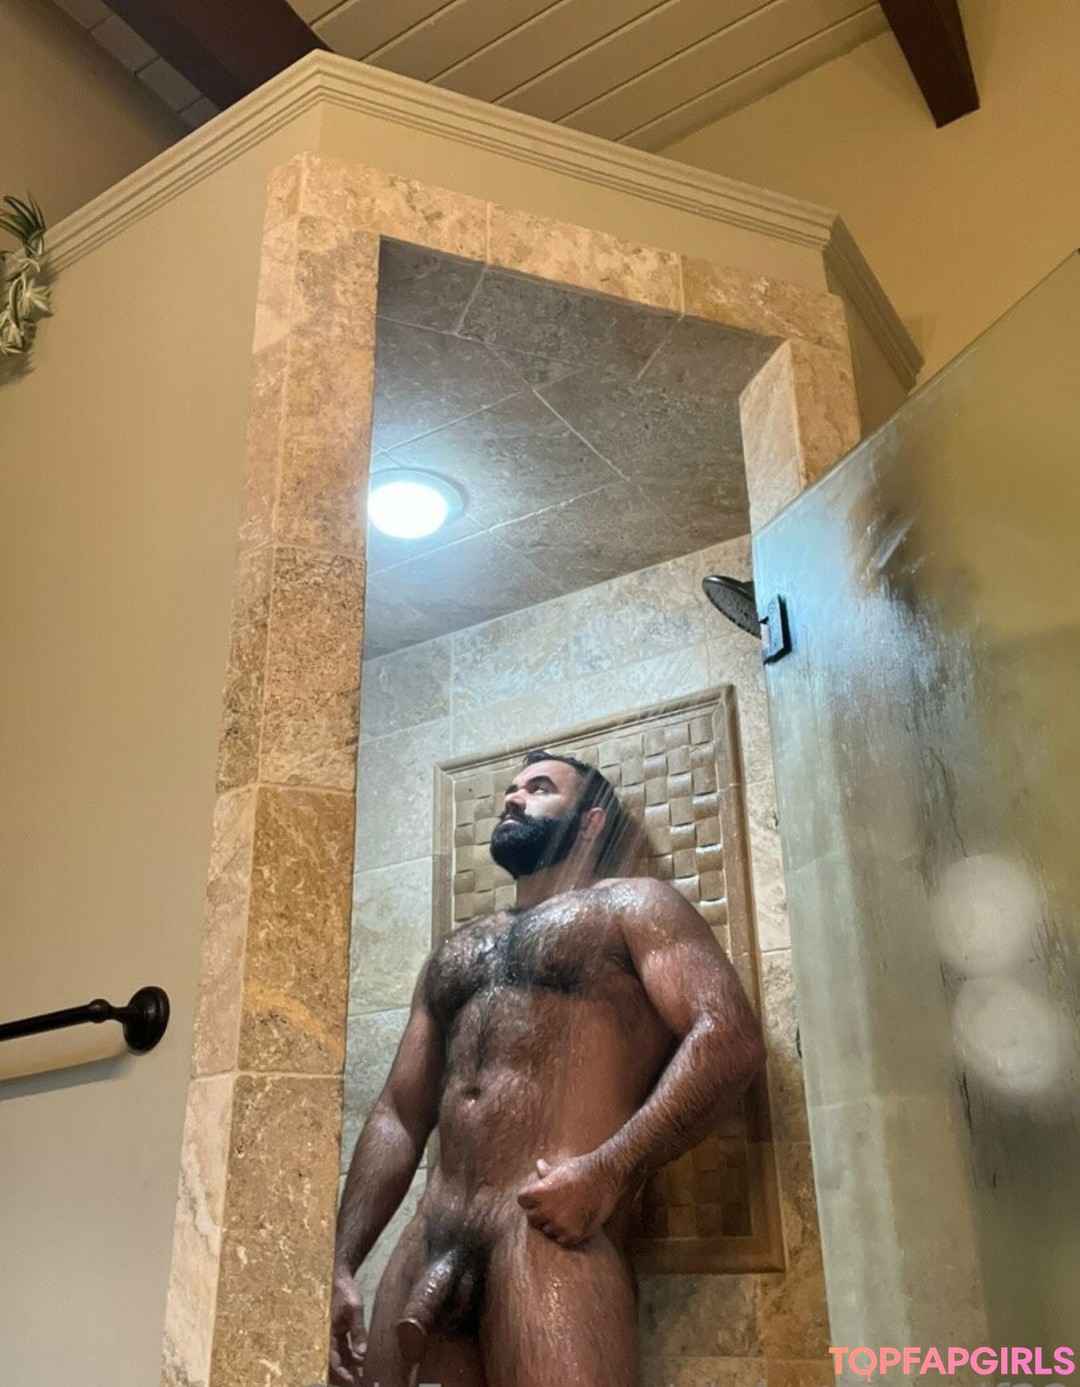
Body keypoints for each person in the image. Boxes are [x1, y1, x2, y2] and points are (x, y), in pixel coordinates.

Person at [329, 750, 765, 1387]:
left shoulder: (633, 906)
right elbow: (399, 1113)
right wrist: (341, 1262)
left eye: (538, 788)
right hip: (427, 1239)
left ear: (590, 821)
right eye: (511, 790)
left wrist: (610, 1170)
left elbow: (728, 1038)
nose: (514, 798)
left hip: (546, 1235)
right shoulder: (456, 950)